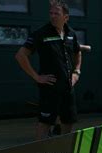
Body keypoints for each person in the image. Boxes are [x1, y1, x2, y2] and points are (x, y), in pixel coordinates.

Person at [15, 0, 82, 140]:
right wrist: (36, 77)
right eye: (50, 13)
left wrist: (77, 71)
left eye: (56, 13)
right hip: (49, 87)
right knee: (45, 122)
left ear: (66, 17)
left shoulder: (71, 33)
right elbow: (21, 56)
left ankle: (63, 151)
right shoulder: (41, 34)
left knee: (68, 121)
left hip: (68, 87)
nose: (52, 16)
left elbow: (77, 52)